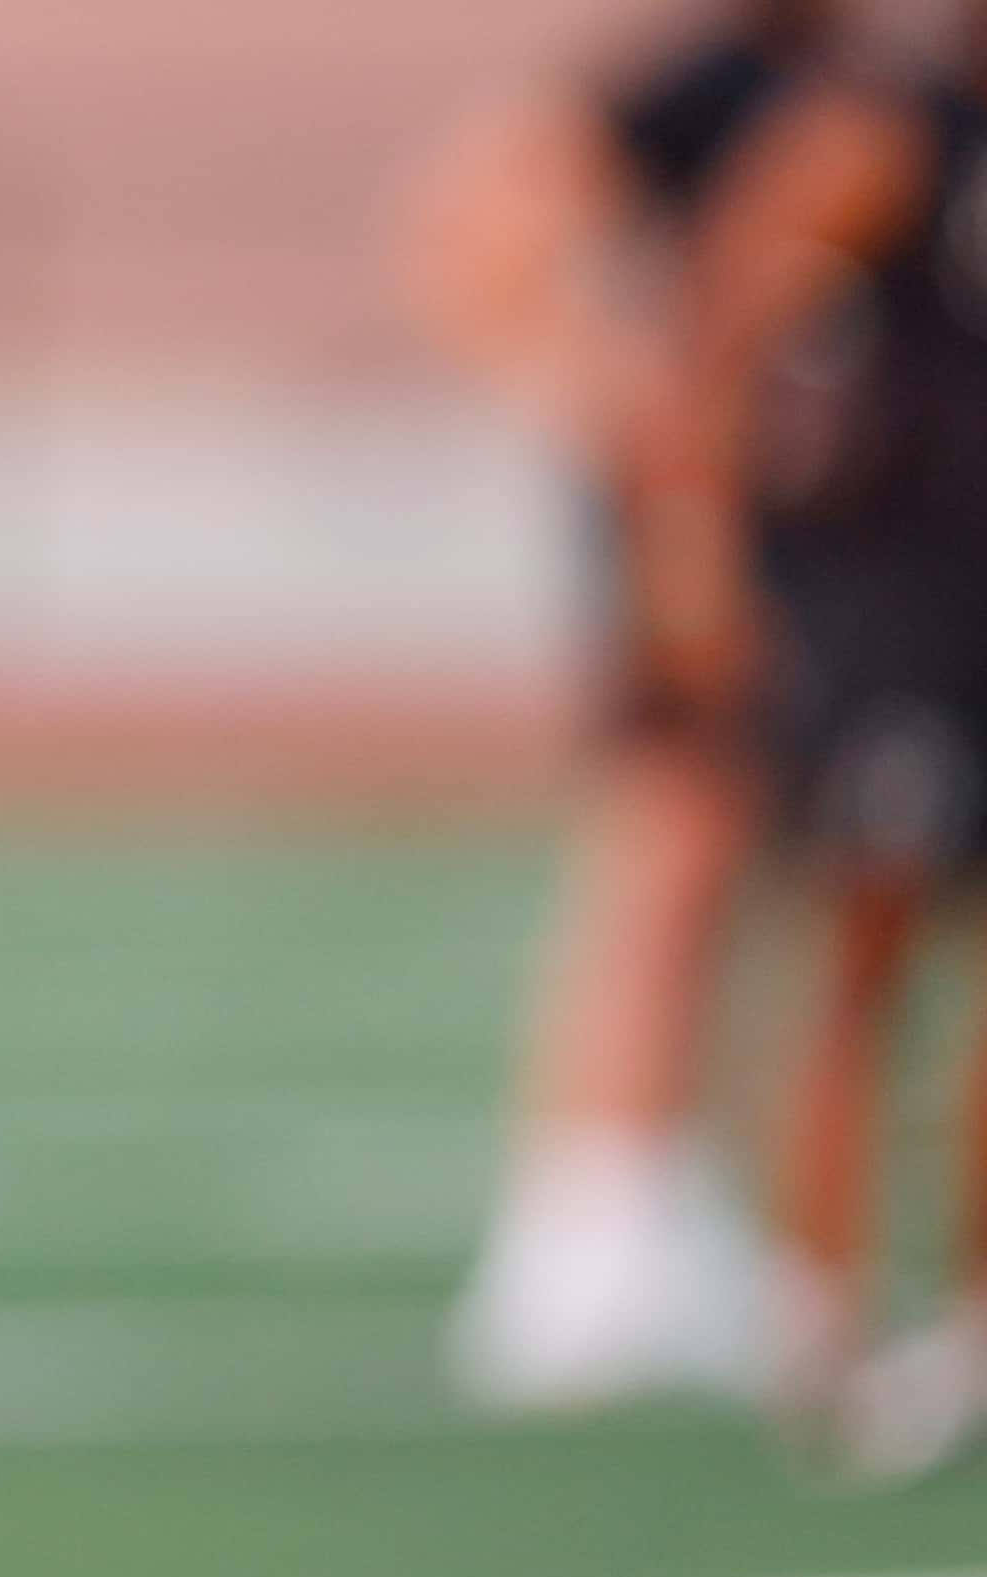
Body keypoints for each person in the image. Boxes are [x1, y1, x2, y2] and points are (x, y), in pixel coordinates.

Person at [402, 0, 846, 1412]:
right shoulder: (725, 81)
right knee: (671, 834)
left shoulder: (840, 83)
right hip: (700, 519)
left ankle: (651, 1191)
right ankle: (581, 1237)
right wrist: (625, 406)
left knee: (737, 856)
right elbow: (479, 224)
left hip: (799, 523)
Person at [645, 1, 987, 1474]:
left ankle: (969, 1322)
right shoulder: (888, 131)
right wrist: (704, 547)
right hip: (903, 613)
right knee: (866, 948)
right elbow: (725, 323)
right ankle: (818, 1312)